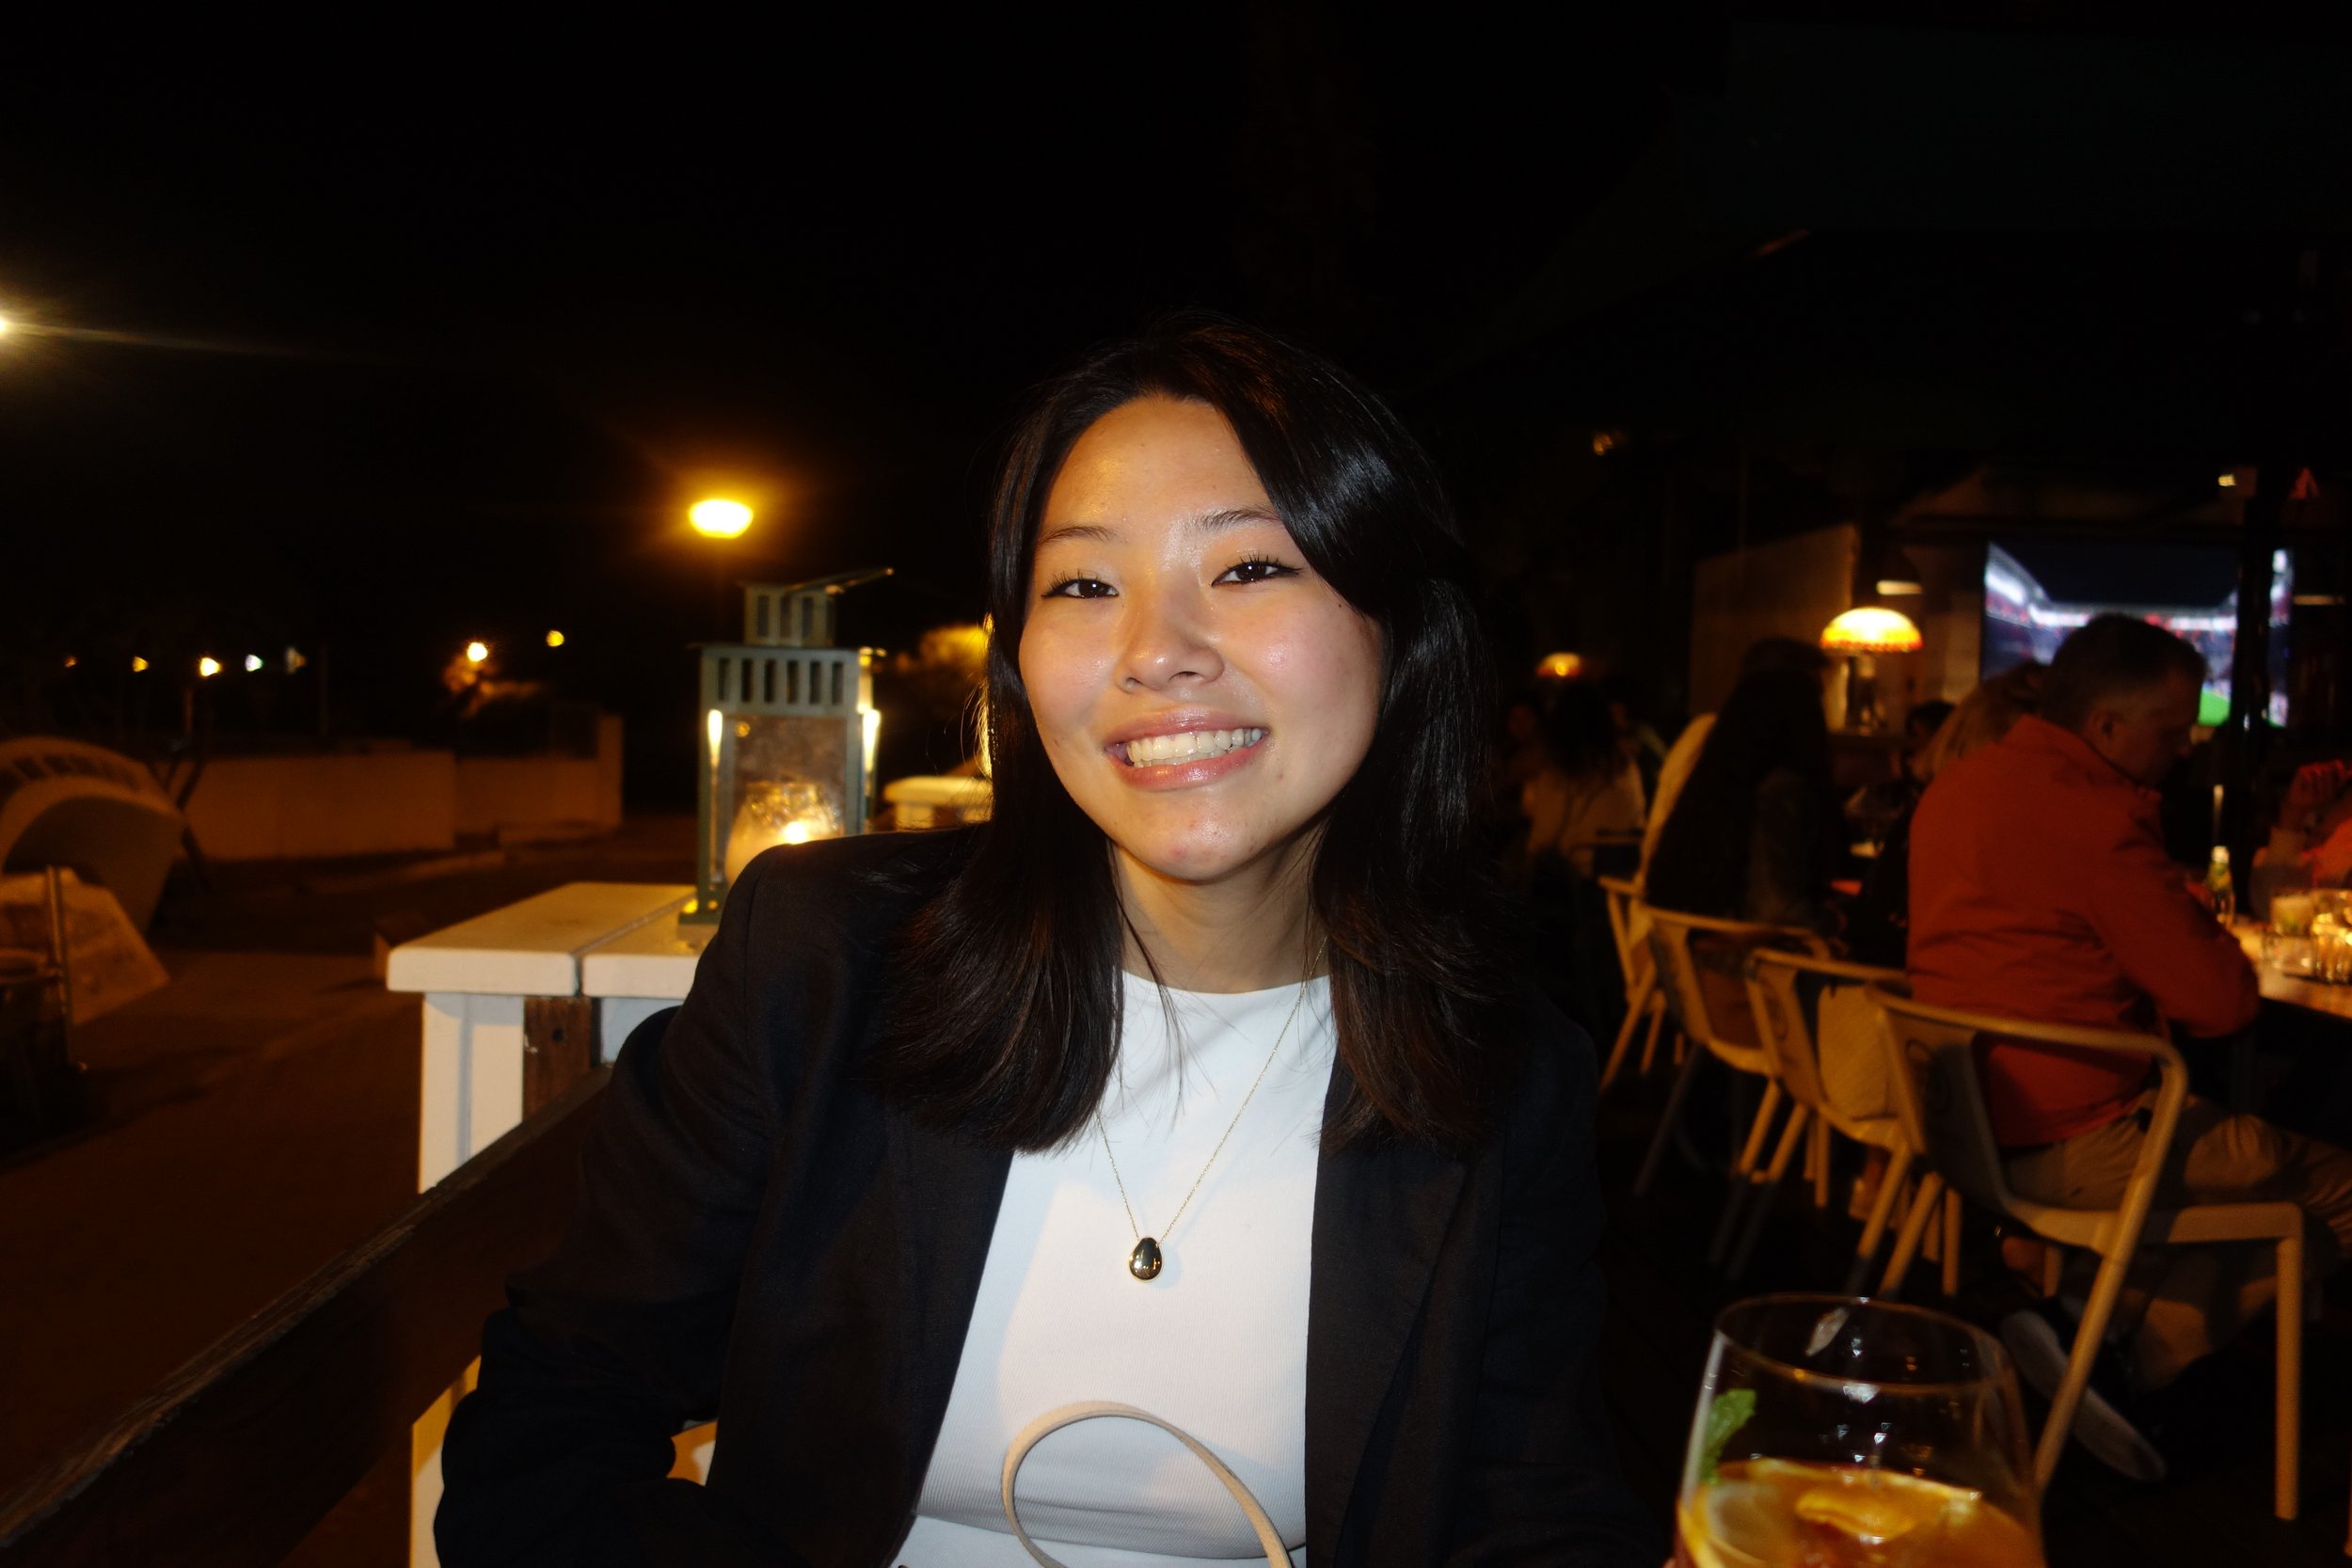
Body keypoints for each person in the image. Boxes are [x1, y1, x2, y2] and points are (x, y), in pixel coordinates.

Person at [434, 315, 1658, 1568]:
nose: (1159, 651)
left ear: (1399, 629)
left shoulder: (1505, 1070)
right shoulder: (825, 961)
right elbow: (551, 1422)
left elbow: (1542, 1506)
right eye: (1082, 584)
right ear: (1019, 659)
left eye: (1249, 568)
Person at [1908, 613, 2352, 1481]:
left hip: (1967, 1127)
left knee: (2253, 1171)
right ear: (2107, 728)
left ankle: (2089, 1323)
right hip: (2087, 1140)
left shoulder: (1962, 785)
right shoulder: (2095, 819)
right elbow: (2222, 1002)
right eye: (2174, 729)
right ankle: (2119, 1348)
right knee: (2334, 1192)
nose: (2184, 749)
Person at [1644, 666, 1839, 935]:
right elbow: (1777, 910)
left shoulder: (1710, 784)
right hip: (1743, 967)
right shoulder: (1780, 791)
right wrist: (1835, 925)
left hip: (1684, 960)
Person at [1636, 636, 1830, 888]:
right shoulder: (1726, 747)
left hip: (1668, 907)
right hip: (1707, 920)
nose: (1817, 710)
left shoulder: (1710, 736)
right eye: (1811, 695)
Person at [1515, 678, 1646, 883]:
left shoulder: (1559, 771)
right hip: (1619, 880)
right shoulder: (1626, 767)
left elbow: (1542, 839)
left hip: (1575, 884)